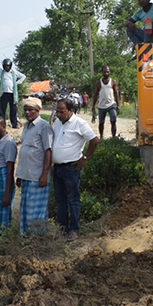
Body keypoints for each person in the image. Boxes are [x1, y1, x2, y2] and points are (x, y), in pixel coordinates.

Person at [52, 99, 99, 242]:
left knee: (72, 199)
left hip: (71, 168)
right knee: (60, 200)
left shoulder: (79, 123)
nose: (58, 114)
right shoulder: (58, 122)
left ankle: (73, 230)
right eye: (57, 111)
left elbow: (94, 140)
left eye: (62, 111)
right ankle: (62, 229)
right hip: (58, 168)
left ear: (71, 110)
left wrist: (85, 158)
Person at [15, 98, 53, 236]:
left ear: (38, 110)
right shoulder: (26, 126)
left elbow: (48, 151)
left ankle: (37, 241)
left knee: (35, 213)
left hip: (38, 177)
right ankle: (26, 239)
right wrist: (19, 175)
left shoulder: (44, 126)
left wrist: (44, 174)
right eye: (25, 109)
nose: (28, 112)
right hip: (26, 176)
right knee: (25, 209)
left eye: (31, 109)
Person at [0, 59, 26, 129]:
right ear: (3, 66)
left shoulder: (14, 72)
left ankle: (14, 124)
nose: (7, 67)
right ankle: (2, 124)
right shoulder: (1, 72)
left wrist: (17, 82)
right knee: (2, 110)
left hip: (12, 94)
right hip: (4, 93)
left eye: (8, 66)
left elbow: (23, 76)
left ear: (10, 66)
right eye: (5, 66)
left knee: (13, 110)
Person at [92, 65, 120, 139]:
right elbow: (95, 94)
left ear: (109, 72)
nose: (106, 73)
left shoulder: (113, 82)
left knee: (113, 120)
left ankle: (113, 138)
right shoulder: (98, 82)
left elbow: (116, 93)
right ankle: (101, 137)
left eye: (107, 72)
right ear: (102, 72)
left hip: (111, 105)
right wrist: (93, 106)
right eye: (104, 72)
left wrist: (118, 105)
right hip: (101, 105)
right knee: (101, 122)